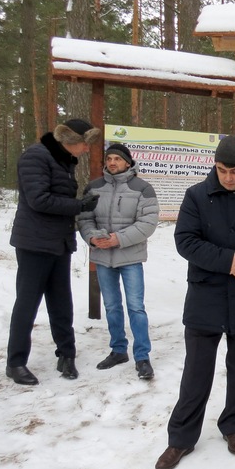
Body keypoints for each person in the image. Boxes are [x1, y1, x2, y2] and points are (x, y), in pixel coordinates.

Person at [155, 135, 235, 469]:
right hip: (206, 296)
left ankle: (233, 425)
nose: (228, 177)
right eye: (222, 170)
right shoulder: (196, 196)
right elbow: (185, 240)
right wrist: (228, 262)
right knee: (197, 371)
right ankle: (181, 438)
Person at [6, 118, 102, 385]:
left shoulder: (62, 161)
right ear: (70, 140)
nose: (86, 149)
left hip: (58, 242)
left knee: (61, 302)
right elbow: (39, 200)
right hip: (34, 243)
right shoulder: (36, 157)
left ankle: (66, 353)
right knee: (27, 303)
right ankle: (15, 362)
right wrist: (79, 206)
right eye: (85, 144)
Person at [78, 143, 159, 380]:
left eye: (117, 159)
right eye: (109, 158)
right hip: (103, 257)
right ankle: (118, 350)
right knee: (112, 307)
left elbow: (147, 223)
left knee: (136, 307)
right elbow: (85, 218)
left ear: (127, 162)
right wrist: (92, 237)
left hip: (130, 257)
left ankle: (142, 357)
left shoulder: (142, 188)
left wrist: (118, 239)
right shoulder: (94, 187)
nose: (112, 162)